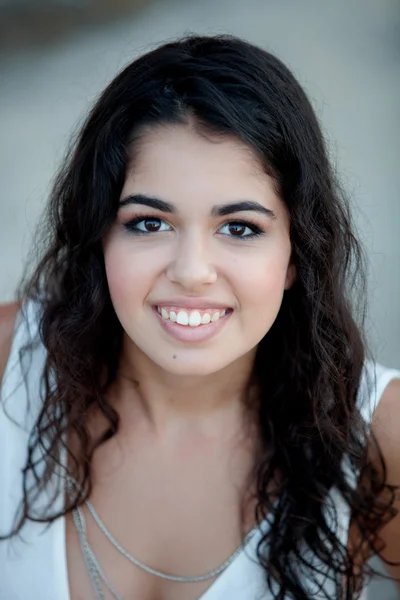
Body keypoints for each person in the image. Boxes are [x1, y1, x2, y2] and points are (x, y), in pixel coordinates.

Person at [0, 34, 399, 600]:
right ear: (100, 237)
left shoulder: (377, 432)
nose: (192, 272)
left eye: (240, 228)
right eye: (148, 222)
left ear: (295, 255)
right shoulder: (8, 363)